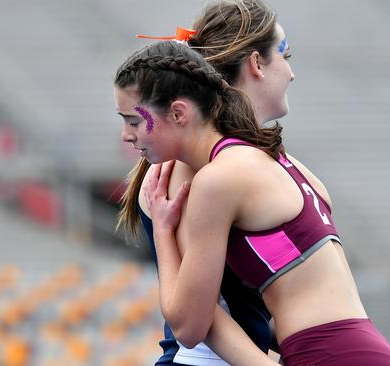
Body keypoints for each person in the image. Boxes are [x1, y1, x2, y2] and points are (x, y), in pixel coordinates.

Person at [114, 41, 390, 366]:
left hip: (326, 353)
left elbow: (188, 326)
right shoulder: (282, 161)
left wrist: (162, 232)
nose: (126, 134)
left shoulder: (216, 180)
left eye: (134, 121)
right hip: (358, 347)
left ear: (179, 112)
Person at [117, 1, 289, 364]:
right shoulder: (194, 165)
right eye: (285, 55)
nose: (291, 72)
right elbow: (196, 320)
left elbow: (248, 306)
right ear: (255, 64)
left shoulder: (232, 160)